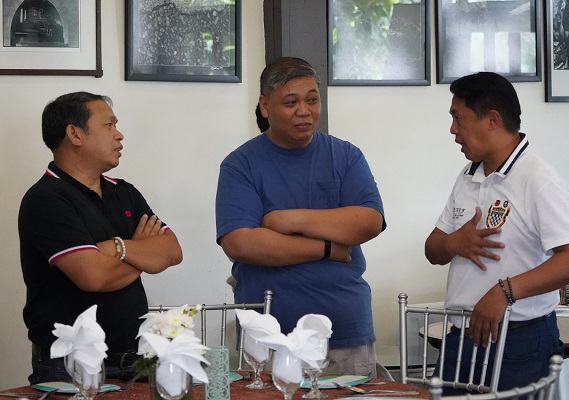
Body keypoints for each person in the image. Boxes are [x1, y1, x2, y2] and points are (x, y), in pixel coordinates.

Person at [216, 57, 388, 377]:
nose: (304, 111)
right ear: (265, 106)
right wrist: (328, 248)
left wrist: (289, 220)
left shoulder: (346, 156)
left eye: (312, 100)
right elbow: (241, 243)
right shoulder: (240, 165)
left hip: (344, 329)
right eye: (291, 102)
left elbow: (368, 222)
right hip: (269, 335)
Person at [424, 72, 569, 392]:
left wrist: (504, 292)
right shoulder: (468, 175)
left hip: (518, 338)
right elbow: (433, 248)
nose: (453, 130)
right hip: (461, 336)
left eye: (458, 118)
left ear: (492, 120)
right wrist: (454, 243)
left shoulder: (538, 178)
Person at [18, 92, 184, 384]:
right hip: (71, 364)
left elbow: (172, 251)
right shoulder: (46, 199)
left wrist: (116, 248)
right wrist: (142, 252)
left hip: (135, 359)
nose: (119, 135)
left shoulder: (124, 191)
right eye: (109, 125)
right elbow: (93, 277)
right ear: (75, 134)